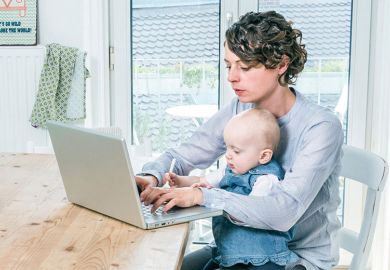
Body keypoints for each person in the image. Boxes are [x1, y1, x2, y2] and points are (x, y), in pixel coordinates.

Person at [137, 10, 343, 270]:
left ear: (281, 64)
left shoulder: (321, 126)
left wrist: (201, 196)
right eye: (229, 65)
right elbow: (188, 153)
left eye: (244, 67)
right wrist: (151, 176)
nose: (232, 77)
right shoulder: (240, 109)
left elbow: (283, 212)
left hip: (296, 258)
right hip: (238, 246)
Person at [165, 107, 299, 270]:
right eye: (227, 147)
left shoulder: (266, 180)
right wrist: (180, 180)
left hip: (261, 259)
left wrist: (206, 196)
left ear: (263, 156)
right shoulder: (230, 169)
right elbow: (202, 180)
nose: (228, 155)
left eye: (236, 151)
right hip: (231, 253)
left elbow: (250, 212)